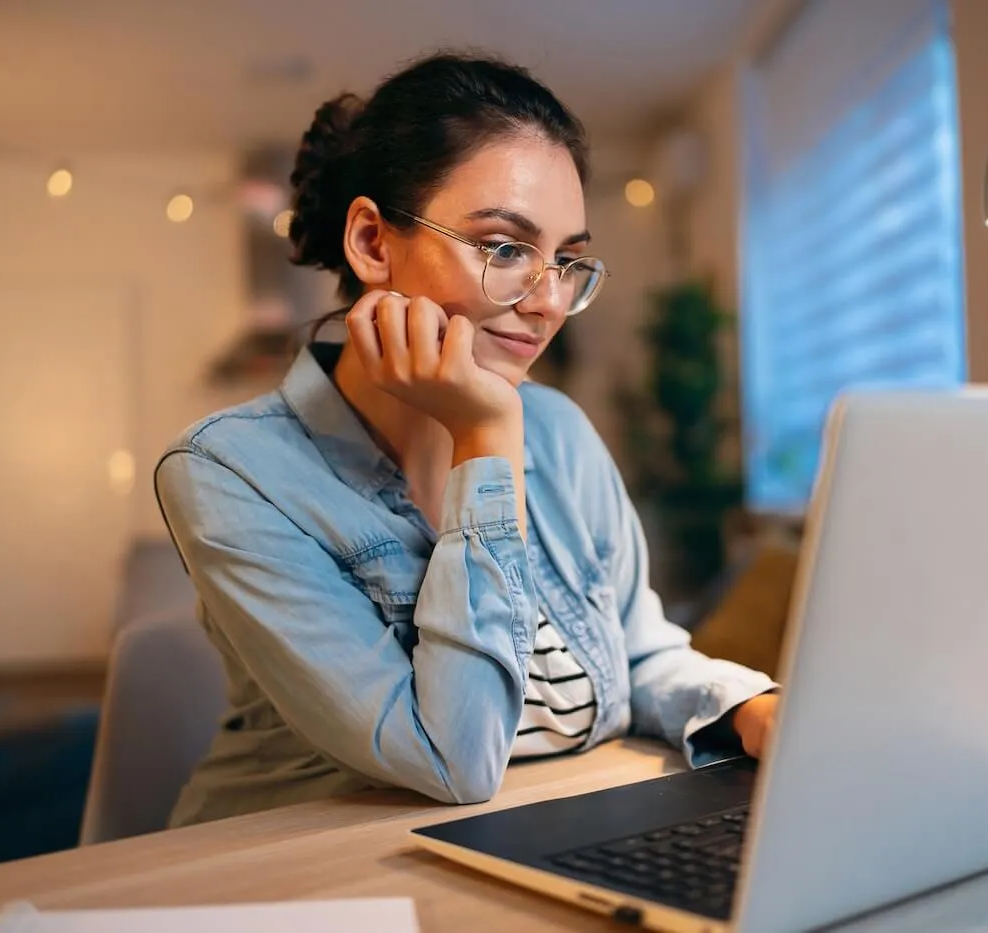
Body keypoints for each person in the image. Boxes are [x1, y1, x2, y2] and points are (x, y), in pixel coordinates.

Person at [155, 52, 779, 828]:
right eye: (506, 248)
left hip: (549, 835)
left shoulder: (558, 432)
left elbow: (637, 652)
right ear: (373, 242)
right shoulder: (232, 472)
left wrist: (752, 707)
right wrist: (484, 439)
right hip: (312, 880)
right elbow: (452, 759)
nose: (547, 302)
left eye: (566, 261)